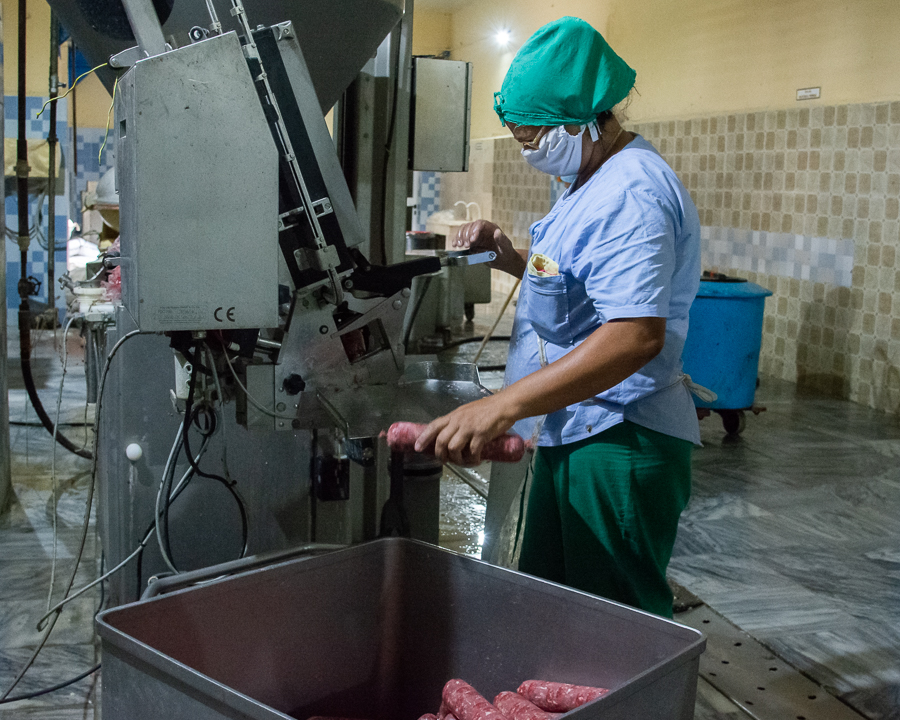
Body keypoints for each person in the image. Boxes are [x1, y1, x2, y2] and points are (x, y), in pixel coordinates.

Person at [414, 17, 703, 618]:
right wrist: (508, 256)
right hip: (573, 421)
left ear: (584, 118)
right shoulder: (589, 177)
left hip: (618, 437)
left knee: (613, 627)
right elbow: (585, 290)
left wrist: (502, 406)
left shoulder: (631, 193)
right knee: (554, 607)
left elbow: (634, 334)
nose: (529, 153)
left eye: (534, 139)